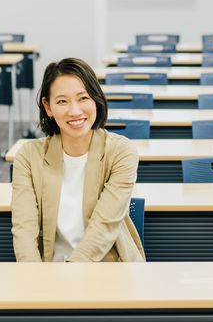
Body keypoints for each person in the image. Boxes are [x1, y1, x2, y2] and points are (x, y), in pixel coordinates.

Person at [11, 58, 145, 262]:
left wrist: (70, 276)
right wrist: (34, 279)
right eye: (62, 101)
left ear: (96, 99)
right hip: (50, 275)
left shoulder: (121, 151)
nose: (75, 111)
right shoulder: (29, 156)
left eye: (83, 98)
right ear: (48, 107)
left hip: (109, 271)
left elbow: (104, 225)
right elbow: (24, 229)